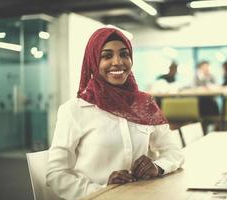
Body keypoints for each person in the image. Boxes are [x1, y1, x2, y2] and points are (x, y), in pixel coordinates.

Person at [46, 27, 184, 200]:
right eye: (107, 56)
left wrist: (157, 166)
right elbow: (56, 174)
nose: (118, 62)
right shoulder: (74, 111)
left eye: (124, 54)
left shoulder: (144, 105)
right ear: (93, 61)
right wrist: (102, 190)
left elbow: (174, 151)